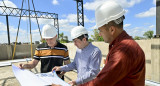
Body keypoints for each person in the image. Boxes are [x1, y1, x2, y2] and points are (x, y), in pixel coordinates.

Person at [79, 1, 145, 86]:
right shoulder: (124, 45)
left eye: (100, 30)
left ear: (112, 30)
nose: (99, 34)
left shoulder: (124, 50)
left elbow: (101, 83)